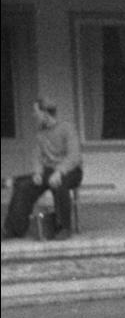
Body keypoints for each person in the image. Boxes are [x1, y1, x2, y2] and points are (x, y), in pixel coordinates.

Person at [2, 97, 83, 241]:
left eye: (36, 112)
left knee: (58, 183)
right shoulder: (40, 133)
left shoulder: (67, 128)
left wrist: (59, 172)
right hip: (48, 171)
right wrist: (38, 172)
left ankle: (63, 228)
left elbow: (74, 156)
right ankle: (13, 229)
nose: (34, 115)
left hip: (71, 171)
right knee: (24, 185)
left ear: (45, 113)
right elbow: (37, 156)